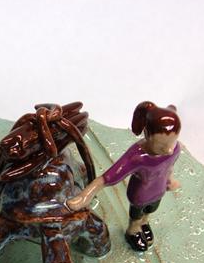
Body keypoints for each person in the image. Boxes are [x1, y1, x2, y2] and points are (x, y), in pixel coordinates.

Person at [67, 101, 181, 251]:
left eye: (172, 143)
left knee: (150, 210)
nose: (169, 150)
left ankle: (145, 223)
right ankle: (133, 230)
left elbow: (169, 167)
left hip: (158, 190)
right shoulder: (137, 157)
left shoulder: (174, 150)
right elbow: (109, 177)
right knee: (137, 214)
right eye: (161, 146)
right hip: (140, 194)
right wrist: (86, 195)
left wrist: (170, 180)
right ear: (147, 134)